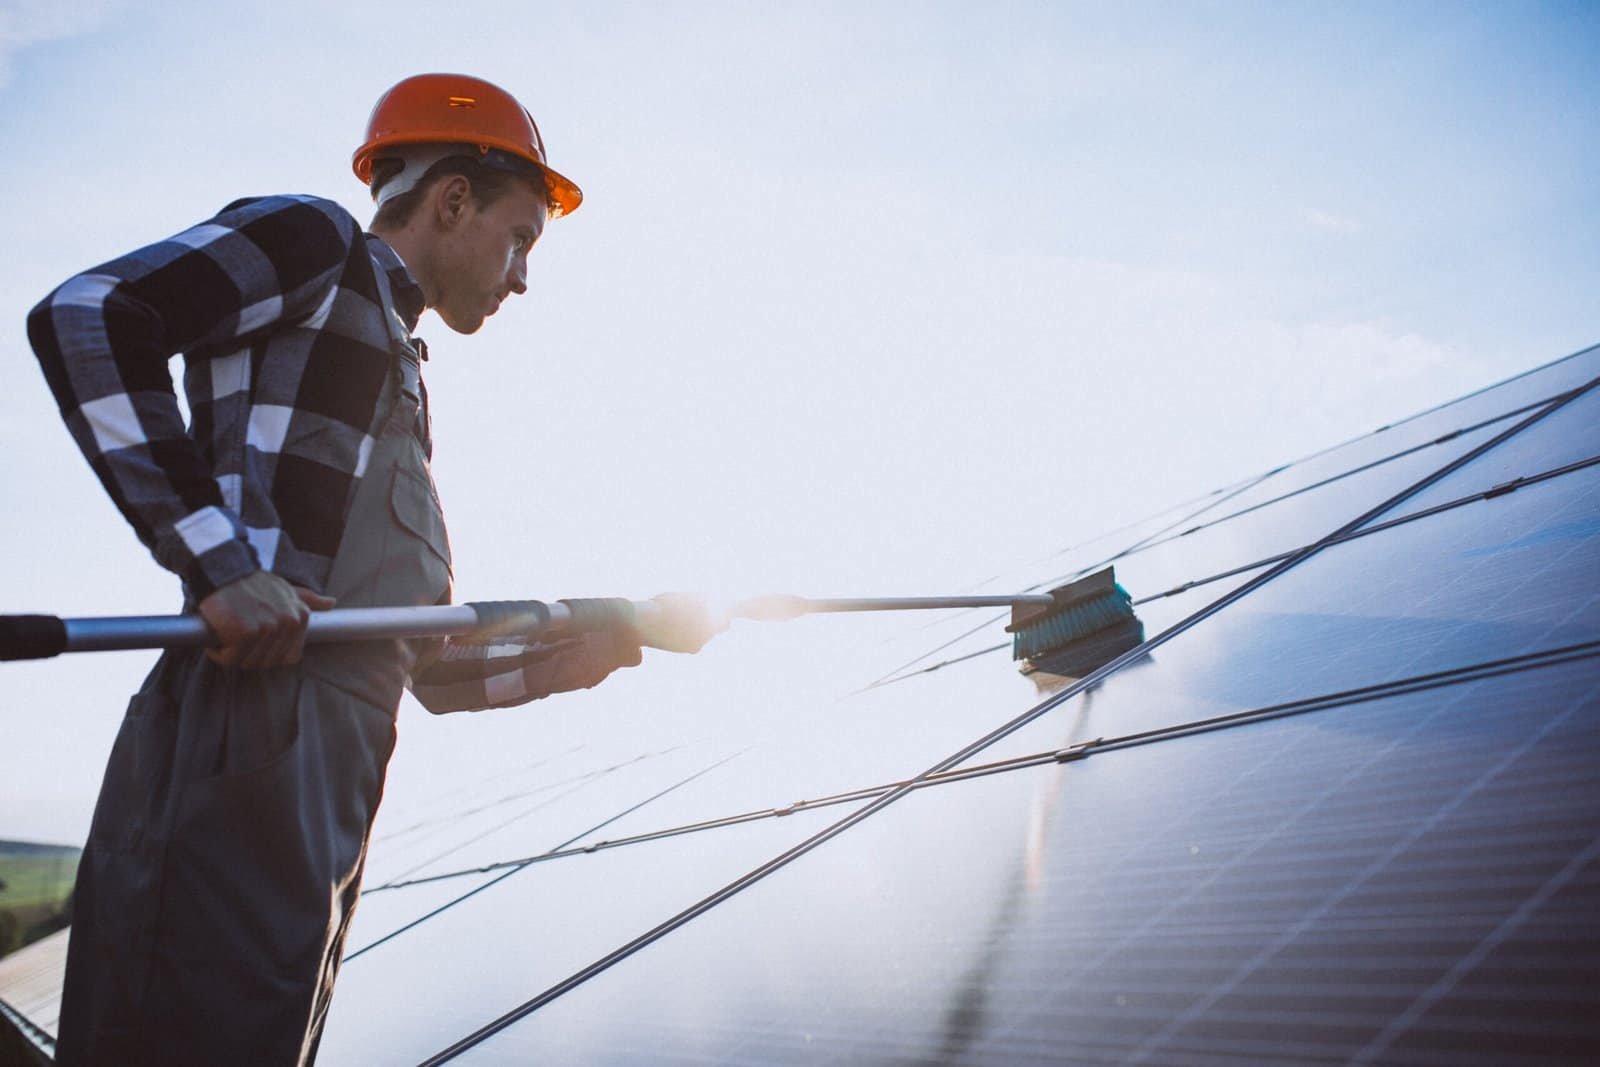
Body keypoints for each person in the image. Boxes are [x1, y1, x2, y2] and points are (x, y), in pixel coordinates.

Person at [26, 73, 719, 1066]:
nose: (521, 275)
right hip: (240, 748)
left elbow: (418, 665)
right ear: (451, 200)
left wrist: (622, 632)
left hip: (325, 795)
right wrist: (218, 564)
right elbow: (89, 316)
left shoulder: (397, 376)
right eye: (521, 238)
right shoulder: (315, 243)